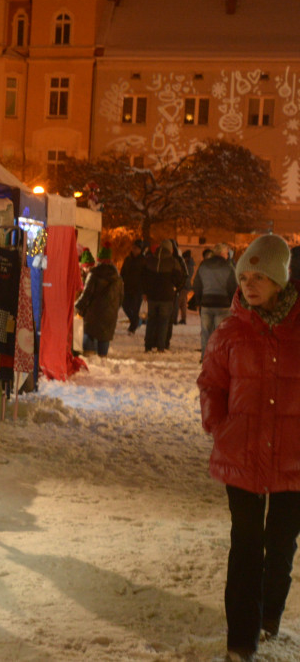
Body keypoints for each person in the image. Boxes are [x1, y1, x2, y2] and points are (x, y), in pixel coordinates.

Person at [197, 233, 300, 662]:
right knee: (245, 544)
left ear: (280, 281)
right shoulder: (230, 332)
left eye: (260, 276)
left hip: (293, 458)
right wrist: (220, 427)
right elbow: (212, 384)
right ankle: (241, 637)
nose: (250, 284)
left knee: (280, 544)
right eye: (246, 276)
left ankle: (269, 613)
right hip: (240, 456)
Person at [74, 246, 124, 358]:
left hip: (93, 315)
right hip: (109, 316)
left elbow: (86, 295)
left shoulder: (94, 275)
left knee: (89, 347)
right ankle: (102, 362)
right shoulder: (118, 278)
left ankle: (91, 365)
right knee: (104, 345)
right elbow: (121, 298)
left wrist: (77, 307)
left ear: (99, 260)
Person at [193, 243, 238, 358]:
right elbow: (232, 286)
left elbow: (197, 283)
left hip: (206, 303)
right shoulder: (228, 267)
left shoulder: (204, 265)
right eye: (227, 253)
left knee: (206, 332)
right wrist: (232, 302)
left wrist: (198, 300)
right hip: (223, 304)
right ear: (223, 253)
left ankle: (205, 357)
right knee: (221, 333)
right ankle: (218, 358)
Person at [142, 239, 185, 352]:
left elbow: (144, 278)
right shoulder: (173, 261)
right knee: (164, 321)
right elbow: (179, 279)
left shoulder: (150, 260)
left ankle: (148, 345)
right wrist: (176, 288)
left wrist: (145, 292)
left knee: (151, 320)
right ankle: (161, 346)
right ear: (170, 249)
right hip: (167, 296)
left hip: (152, 296)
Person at [120, 240, 147, 334]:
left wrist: (144, 291)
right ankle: (135, 321)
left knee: (135, 308)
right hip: (127, 287)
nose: (134, 249)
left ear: (140, 249)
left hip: (138, 289)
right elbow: (123, 272)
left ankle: (132, 327)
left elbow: (145, 276)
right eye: (133, 247)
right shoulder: (128, 259)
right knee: (125, 305)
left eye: (137, 248)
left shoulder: (144, 261)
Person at [177, 249, 196, 324]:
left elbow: (185, 275)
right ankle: (183, 318)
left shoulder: (187, 266)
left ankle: (174, 317)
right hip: (186, 285)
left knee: (178, 301)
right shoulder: (190, 265)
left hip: (184, 285)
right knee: (183, 302)